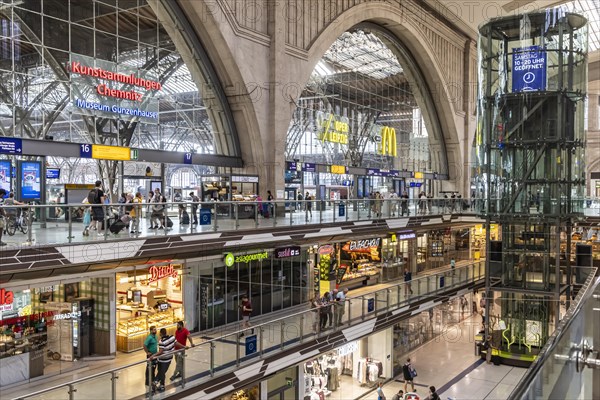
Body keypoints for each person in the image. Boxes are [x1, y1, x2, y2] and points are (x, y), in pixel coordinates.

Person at [152, 327, 176, 392]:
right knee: (162, 372)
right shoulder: (172, 337)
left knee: (161, 372)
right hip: (169, 358)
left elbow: (160, 352)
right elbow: (176, 343)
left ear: (161, 334)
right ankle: (162, 385)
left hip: (163, 360)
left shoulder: (161, 341)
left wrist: (153, 356)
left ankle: (155, 382)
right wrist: (184, 347)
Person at [143, 326, 159, 392]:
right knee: (149, 368)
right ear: (151, 331)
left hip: (155, 355)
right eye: (154, 330)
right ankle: (148, 381)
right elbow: (144, 345)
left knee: (153, 368)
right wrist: (147, 352)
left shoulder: (155, 336)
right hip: (151, 355)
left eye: (155, 329)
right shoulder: (149, 337)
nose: (155, 331)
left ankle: (152, 380)